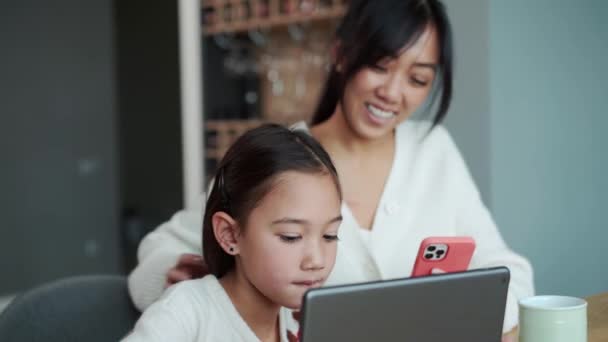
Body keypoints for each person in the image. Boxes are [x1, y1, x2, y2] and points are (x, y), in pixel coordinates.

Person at [128, 0, 534, 339]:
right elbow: (159, 251)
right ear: (341, 55)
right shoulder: (279, 162)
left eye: (418, 78)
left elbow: (508, 272)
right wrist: (179, 277)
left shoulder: (434, 150)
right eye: (379, 65)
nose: (392, 92)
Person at [122, 124, 343, 341]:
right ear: (229, 234)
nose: (317, 260)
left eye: (329, 235)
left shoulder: (296, 324)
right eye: (291, 236)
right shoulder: (186, 312)